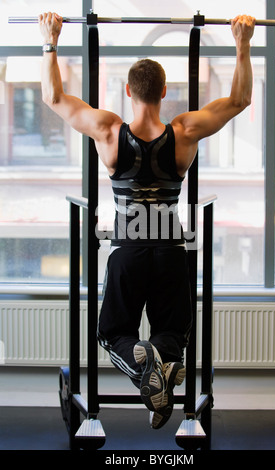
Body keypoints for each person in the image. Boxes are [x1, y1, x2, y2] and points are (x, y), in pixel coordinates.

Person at [39, 12, 255, 429]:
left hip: (128, 253)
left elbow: (53, 97)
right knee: (175, 334)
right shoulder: (185, 131)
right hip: (172, 253)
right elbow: (239, 101)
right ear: (164, 91)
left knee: (110, 334)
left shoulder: (107, 130)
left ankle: (143, 372)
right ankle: (160, 373)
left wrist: (50, 41)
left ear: (128, 91)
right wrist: (241, 44)